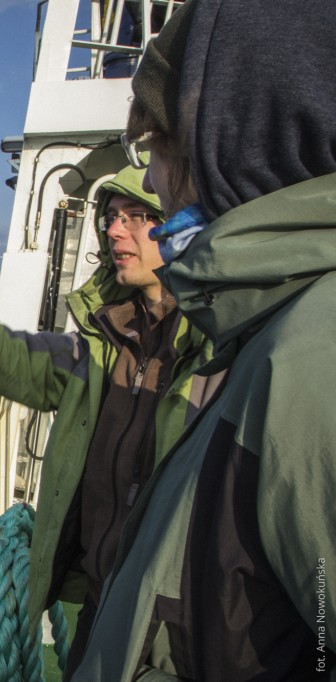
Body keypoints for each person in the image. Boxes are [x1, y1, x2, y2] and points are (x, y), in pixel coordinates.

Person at [72, 0, 336, 679]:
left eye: (155, 147)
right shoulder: (258, 331)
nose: (154, 178)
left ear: (233, 141)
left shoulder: (312, 364)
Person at [0, 164, 217, 677]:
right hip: (96, 597)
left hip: (175, 634)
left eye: (138, 216)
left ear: (184, 225)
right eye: (112, 217)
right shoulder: (105, 343)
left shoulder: (223, 349)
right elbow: (16, 362)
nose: (115, 229)